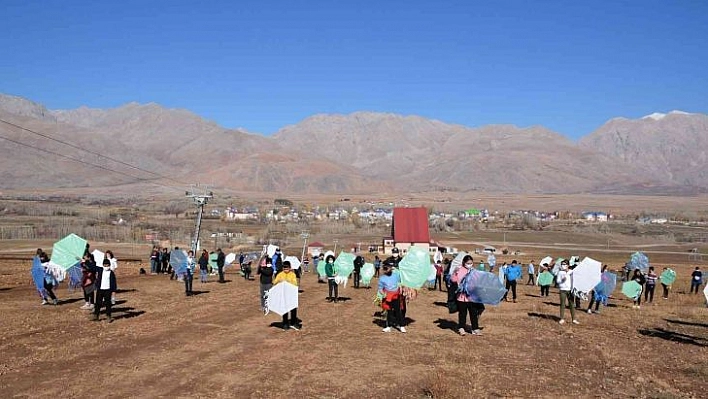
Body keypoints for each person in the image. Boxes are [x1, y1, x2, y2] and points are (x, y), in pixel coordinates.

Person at [451, 255, 485, 336]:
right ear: (464, 263)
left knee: (473, 313)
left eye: (471, 263)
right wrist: (455, 273)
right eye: (468, 263)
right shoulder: (459, 270)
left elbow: (477, 281)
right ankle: (461, 328)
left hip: (472, 297)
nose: (469, 264)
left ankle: (475, 329)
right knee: (462, 313)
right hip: (461, 297)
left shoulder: (474, 271)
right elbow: (453, 280)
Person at [272, 261, 301, 330]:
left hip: (291, 294)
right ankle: (285, 323)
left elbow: (295, 284)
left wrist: (288, 283)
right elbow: (275, 282)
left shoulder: (292, 275)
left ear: (290, 268)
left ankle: (293, 323)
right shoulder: (280, 275)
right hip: (283, 295)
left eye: (287, 268)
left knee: (293, 309)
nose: (286, 269)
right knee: (284, 309)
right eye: (284, 268)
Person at [378, 263, 405, 333]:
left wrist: (401, 289)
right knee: (389, 312)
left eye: (388, 268)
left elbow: (399, 283)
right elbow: (380, 288)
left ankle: (401, 326)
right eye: (385, 269)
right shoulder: (382, 278)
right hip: (387, 297)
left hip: (396, 296)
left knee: (398, 311)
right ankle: (388, 326)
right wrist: (383, 294)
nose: (387, 270)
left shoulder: (396, 275)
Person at [90, 258, 117, 323]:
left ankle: (108, 316)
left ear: (109, 265)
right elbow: (92, 267)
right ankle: (96, 315)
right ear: (103, 265)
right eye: (105, 265)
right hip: (100, 290)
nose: (106, 266)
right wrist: (85, 261)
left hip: (108, 290)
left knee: (108, 303)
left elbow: (113, 282)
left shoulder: (111, 273)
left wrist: (113, 291)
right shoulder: (100, 270)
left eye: (107, 265)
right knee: (98, 303)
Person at [557, 260, 579, 325]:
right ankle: (561, 318)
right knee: (562, 304)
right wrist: (562, 280)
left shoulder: (571, 272)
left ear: (568, 265)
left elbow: (575, 280)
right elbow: (557, 281)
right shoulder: (560, 272)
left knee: (571, 304)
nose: (563, 265)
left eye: (564, 264)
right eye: (562, 264)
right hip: (562, 290)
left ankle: (574, 319)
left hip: (570, 290)